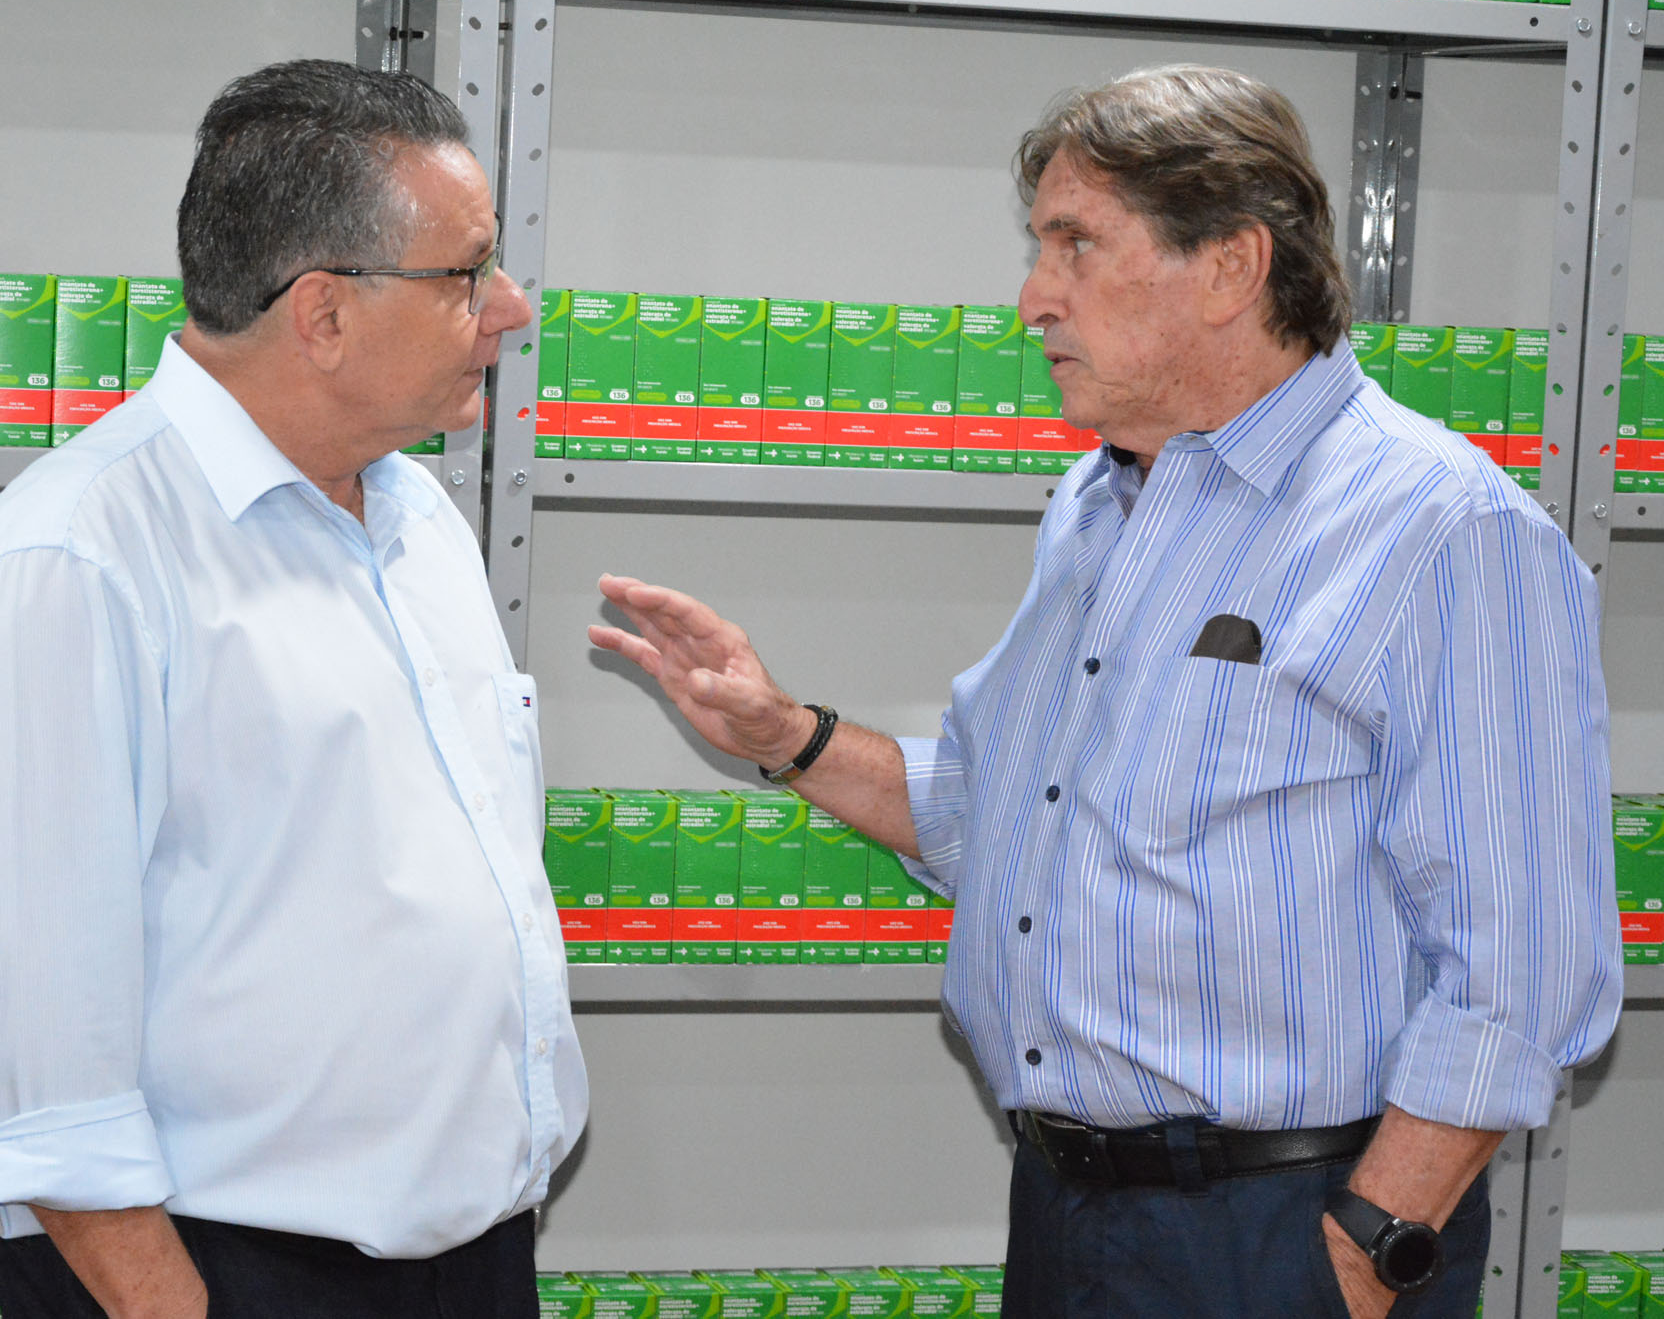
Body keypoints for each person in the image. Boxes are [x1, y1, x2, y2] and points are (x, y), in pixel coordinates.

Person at [589, 65, 1620, 1318]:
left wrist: (1362, 1251)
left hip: (1284, 1229)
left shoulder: (1443, 531)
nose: (1033, 296)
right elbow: (1010, 817)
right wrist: (784, 733)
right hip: (1068, 1212)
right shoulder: (1099, 502)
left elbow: (1521, 969)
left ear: (1230, 267)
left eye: (1075, 244)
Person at [0, 60, 585, 1319]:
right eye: (466, 273)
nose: (508, 308)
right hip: (219, 1272)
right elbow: (39, 1050)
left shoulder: (419, 520)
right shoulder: (72, 559)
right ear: (322, 313)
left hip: (469, 1259)